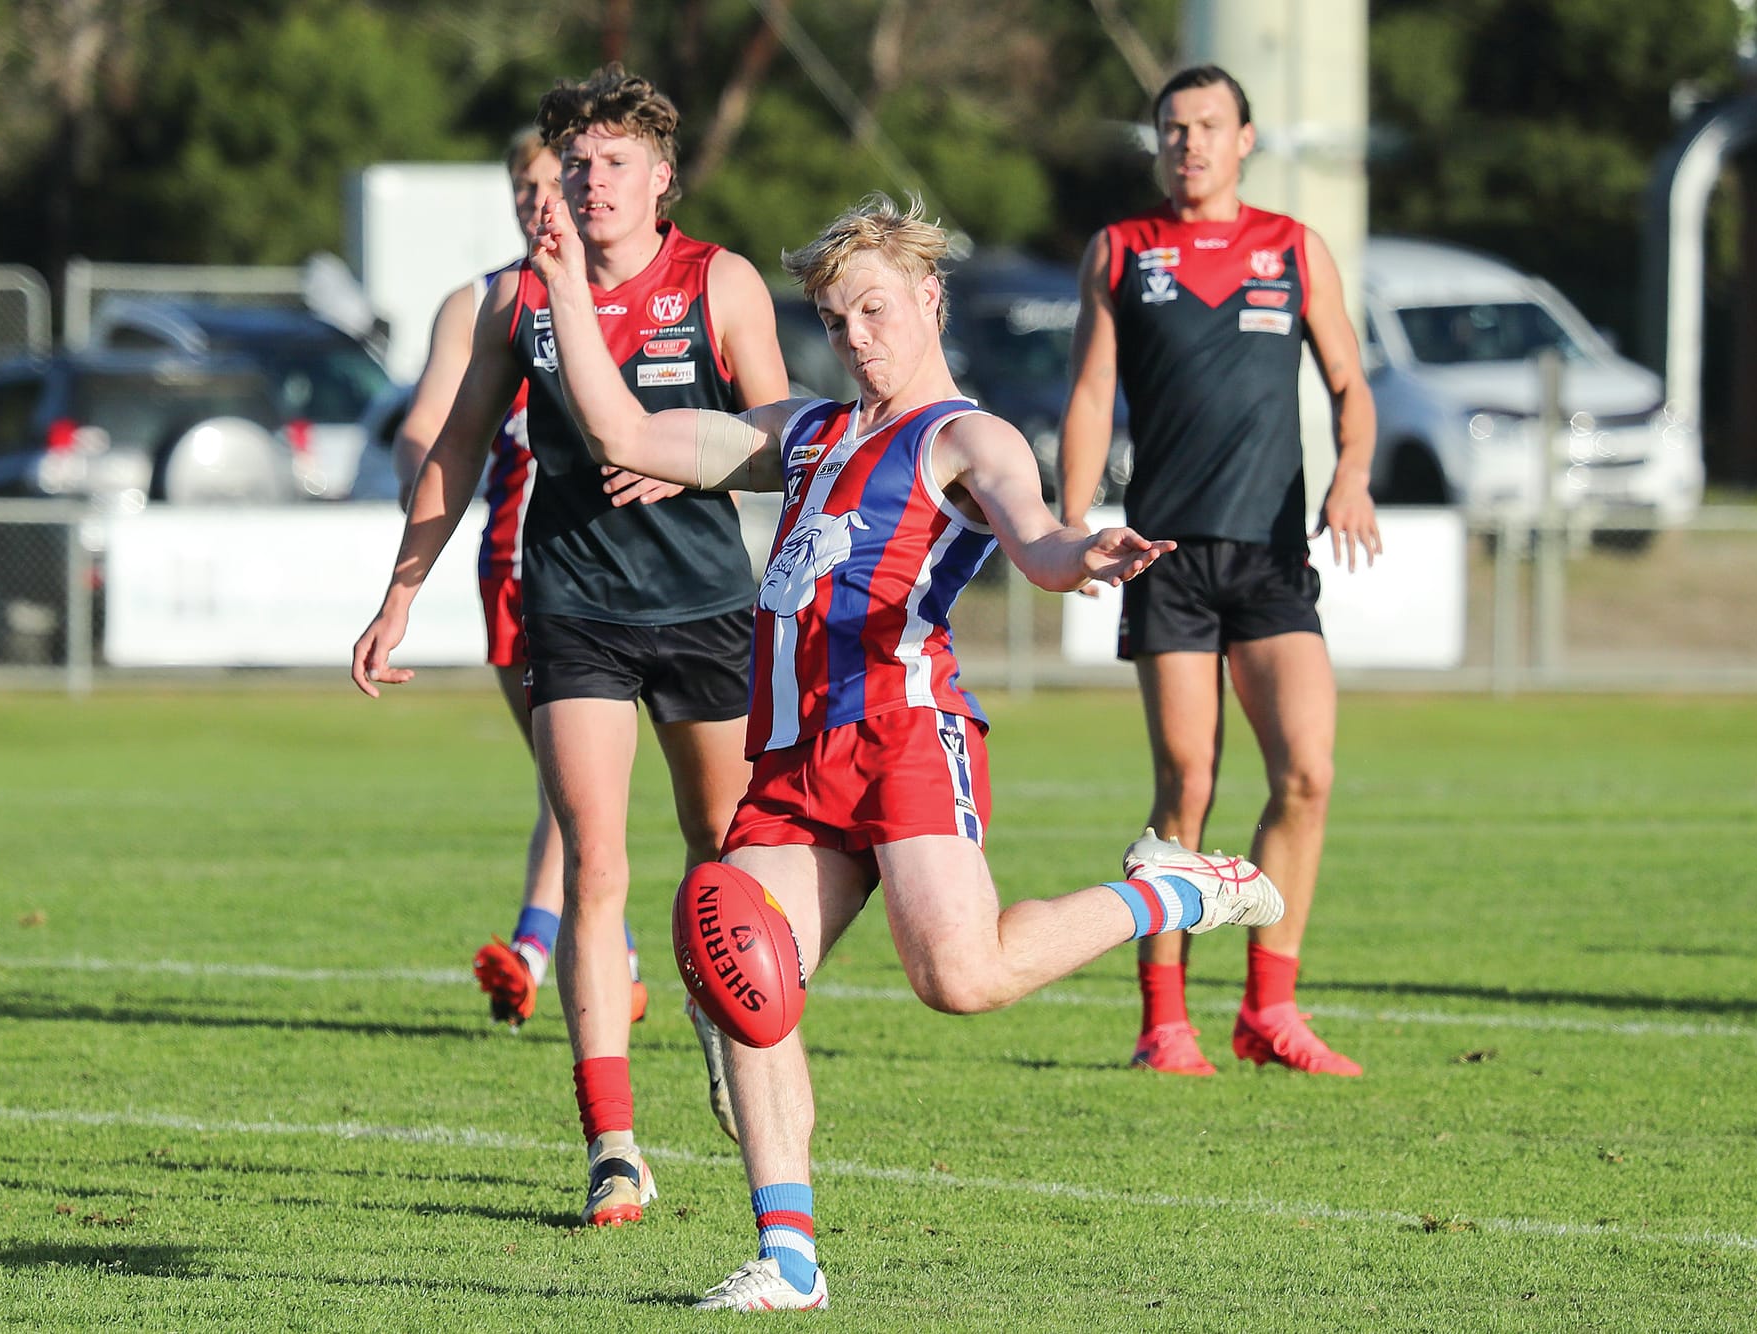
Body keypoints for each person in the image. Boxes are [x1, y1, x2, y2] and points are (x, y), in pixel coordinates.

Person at [525, 190, 1287, 1311]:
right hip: (788, 759)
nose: (855, 337)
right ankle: (787, 1255)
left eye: (873, 309)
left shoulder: (964, 436)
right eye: (834, 320)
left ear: (928, 298)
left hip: (899, 732)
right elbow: (624, 436)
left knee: (960, 976)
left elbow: (1031, 537)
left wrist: (1084, 552)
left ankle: (1165, 893)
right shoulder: (803, 432)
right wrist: (554, 285)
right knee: (747, 975)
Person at [351, 64, 791, 1227]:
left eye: (610, 163)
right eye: (574, 164)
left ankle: (723, 1035)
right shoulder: (519, 302)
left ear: (660, 177)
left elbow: (777, 439)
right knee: (596, 865)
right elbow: (448, 454)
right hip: (574, 605)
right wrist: (400, 595)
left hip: (703, 608)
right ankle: (611, 1143)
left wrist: (687, 448)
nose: (589, 182)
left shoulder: (720, 281)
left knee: (722, 858)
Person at [1057, 64, 1382, 1078]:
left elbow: (1347, 382)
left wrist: (1352, 478)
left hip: (1271, 555)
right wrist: (1069, 527)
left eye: (1206, 125)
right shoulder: (1119, 252)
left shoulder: (1291, 249)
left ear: (1244, 138)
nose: (1187, 141)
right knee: (1185, 782)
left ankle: (1268, 1010)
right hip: (1165, 556)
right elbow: (1088, 394)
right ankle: (1163, 1020)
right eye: (1171, 127)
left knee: (1307, 771)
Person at [392, 125, 652, 1036]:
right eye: (526, 189)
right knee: (565, 777)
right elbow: (429, 427)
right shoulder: (486, 302)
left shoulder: (645, 288)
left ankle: (544, 944)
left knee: (585, 787)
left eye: (560, 181)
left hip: (640, 569)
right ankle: (602, 952)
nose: (544, 202)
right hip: (519, 563)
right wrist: (422, 486)